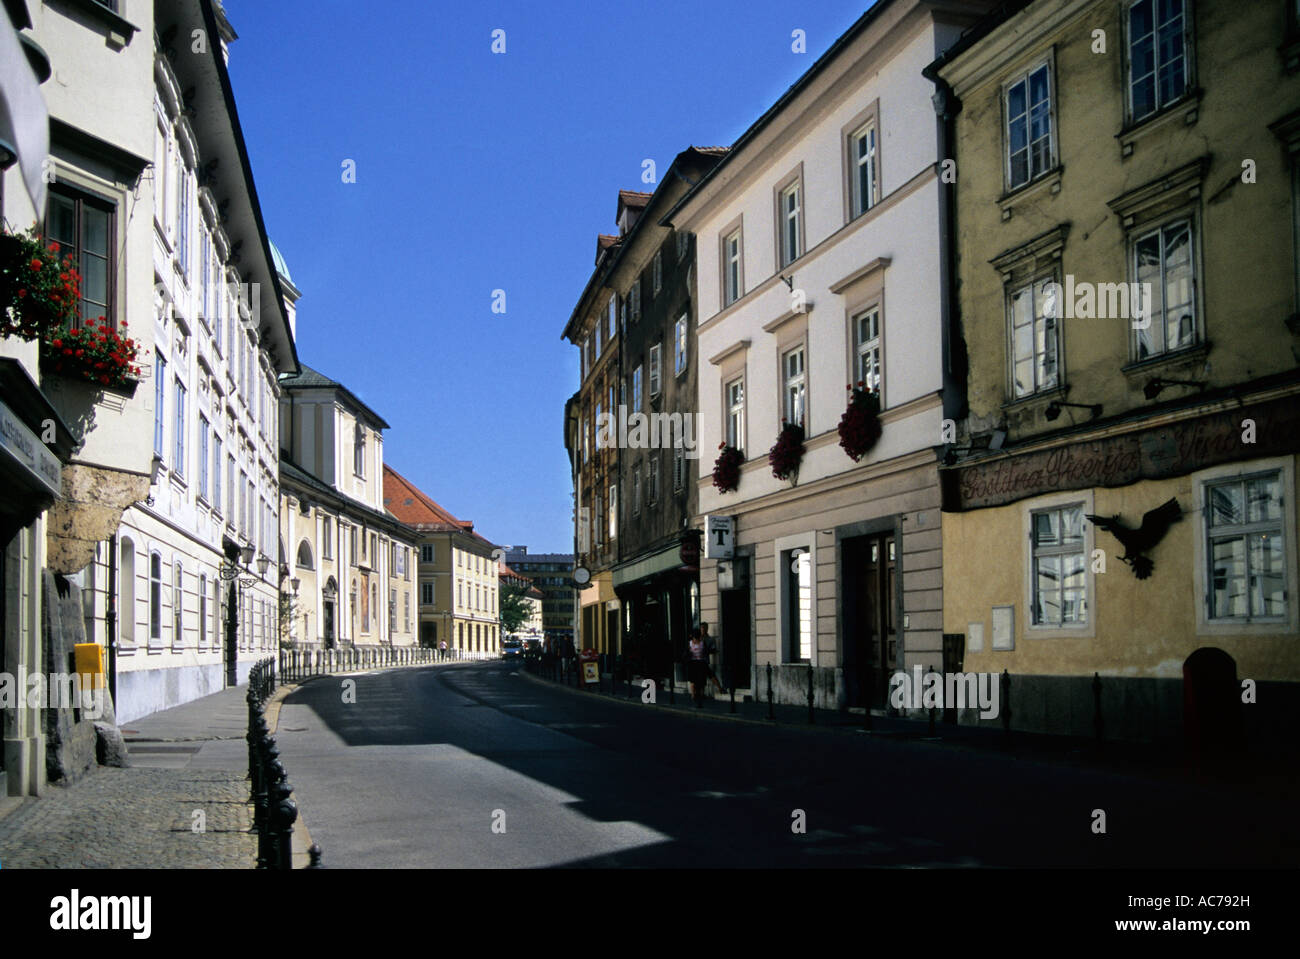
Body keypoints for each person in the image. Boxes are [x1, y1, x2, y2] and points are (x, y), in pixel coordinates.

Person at [700, 622, 726, 694]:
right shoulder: (697, 638)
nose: (703, 629)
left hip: (704, 660)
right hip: (697, 660)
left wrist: (709, 650)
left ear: (707, 629)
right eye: (702, 628)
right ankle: (701, 693)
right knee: (705, 676)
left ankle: (719, 688)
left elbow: (713, 649)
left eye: (705, 628)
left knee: (710, 675)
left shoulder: (710, 639)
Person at [687, 627, 709, 706]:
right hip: (701, 662)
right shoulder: (702, 643)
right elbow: (706, 652)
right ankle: (702, 694)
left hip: (693, 663)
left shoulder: (690, 643)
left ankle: (693, 694)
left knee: (693, 680)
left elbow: (687, 652)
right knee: (702, 679)